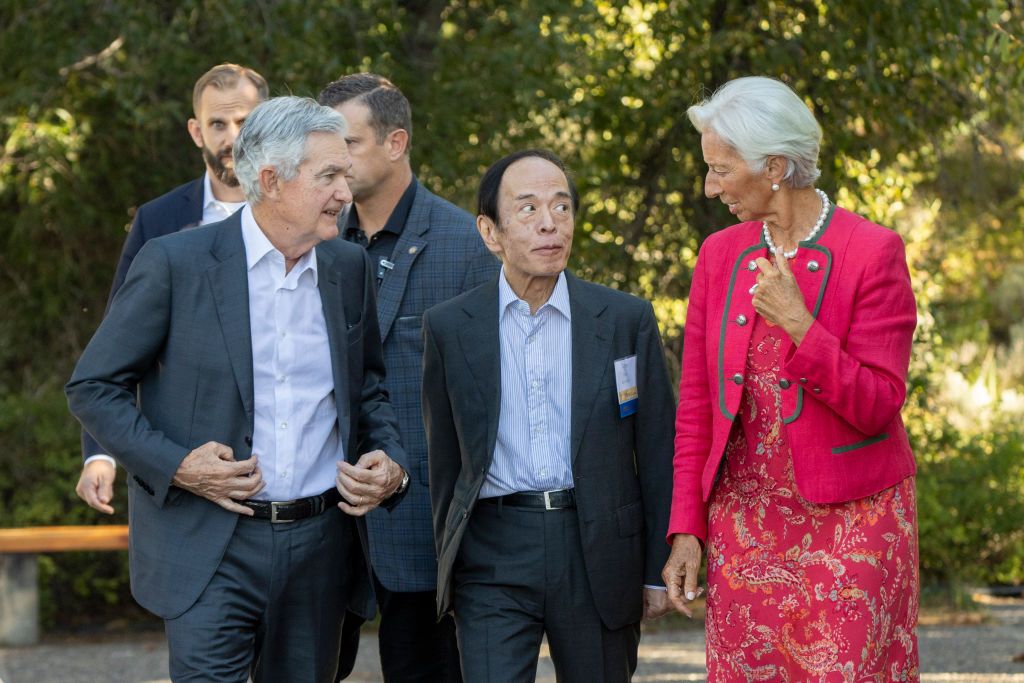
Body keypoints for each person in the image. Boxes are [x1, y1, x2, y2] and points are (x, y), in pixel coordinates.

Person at [66, 96, 409, 682]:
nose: (345, 193)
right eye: (329, 176)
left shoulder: (348, 268)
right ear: (271, 180)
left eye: (345, 175)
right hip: (209, 549)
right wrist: (177, 466)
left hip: (321, 549)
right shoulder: (175, 262)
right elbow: (93, 386)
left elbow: (369, 390)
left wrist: (390, 462)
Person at [661, 76, 920, 680]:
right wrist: (686, 531)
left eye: (721, 170)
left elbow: (878, 404)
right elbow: (696, 409)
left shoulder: (871, 251)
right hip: (744, 527)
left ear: (775, 167)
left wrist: (801, 324)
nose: (710, 186)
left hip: (854, 523)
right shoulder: (719, 255)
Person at [422, 149, 676, 681]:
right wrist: (449, 562)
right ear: (490, 232)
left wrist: (656, 567)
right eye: (528, 209)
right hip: (492, 552)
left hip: (596, 547)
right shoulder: (450, 328)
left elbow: (657, 451)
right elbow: (445, 462)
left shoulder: (623, 319)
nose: (549, 223)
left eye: (562, 207)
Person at [316, 73, 498, 682]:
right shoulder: (313, 242)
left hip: (423, 527)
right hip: (320, 521)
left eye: (349, 143)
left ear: (396, 143)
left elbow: (485, 405)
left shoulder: (467, 246)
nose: (335, 159)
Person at [76, 62, 268, 515]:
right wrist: (100, 453)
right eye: (217, 124)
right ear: (196, 132)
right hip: (187, 464)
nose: (231, 138)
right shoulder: (159, 221)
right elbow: (116, 342)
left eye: (243, 122)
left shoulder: (308, 212)